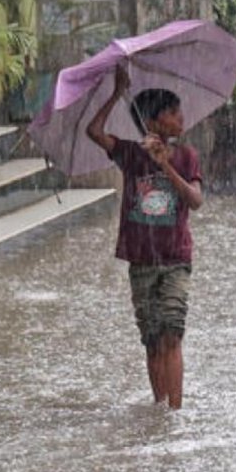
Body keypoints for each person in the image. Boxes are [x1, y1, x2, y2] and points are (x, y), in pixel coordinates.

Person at [87, 66, 203, 410]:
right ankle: (160, 408)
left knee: (172, 332)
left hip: (175, 259)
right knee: (152, 340)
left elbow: (195, 201)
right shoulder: (130, 154)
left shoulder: (186, 156)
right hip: (141, 260)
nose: (180, 117)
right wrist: (116, 91)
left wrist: (166, 165)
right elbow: (93, 130)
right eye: (171, 112)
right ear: (152, 122)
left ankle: (175, 412)